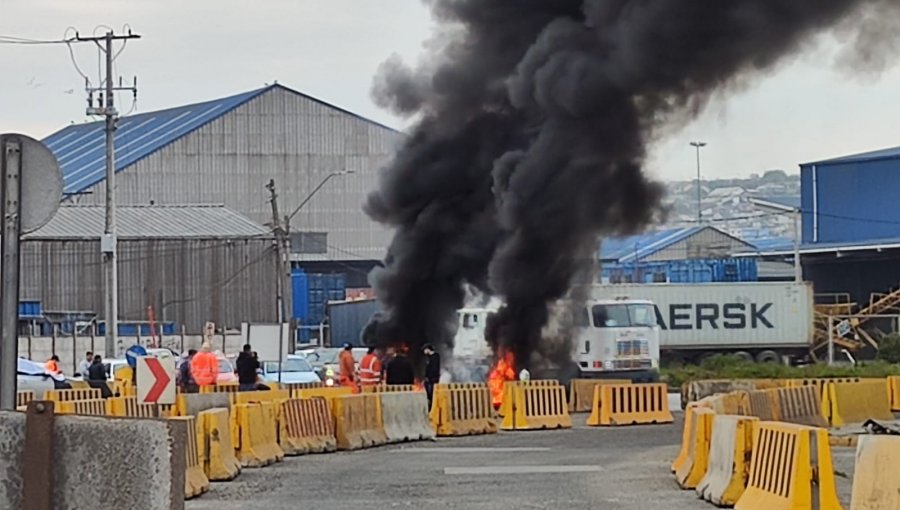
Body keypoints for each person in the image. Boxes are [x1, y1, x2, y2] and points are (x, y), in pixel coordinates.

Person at [423, 344, 441, 409]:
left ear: (428, 349)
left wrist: (430, 378)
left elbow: (434, 369)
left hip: (433, 379)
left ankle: (432, 407)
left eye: (425, 350)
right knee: (429, 394)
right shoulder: (429, 358)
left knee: (432, 394)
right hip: (429, 380)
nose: (424, 352)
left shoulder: (435, 357)